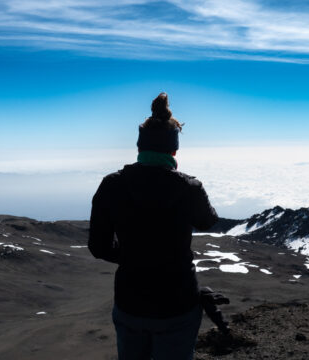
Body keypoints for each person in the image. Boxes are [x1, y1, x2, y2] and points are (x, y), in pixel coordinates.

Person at [88, 92, 219, 360]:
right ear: (174, 150)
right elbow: (208, 221)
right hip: (178, 303)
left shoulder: (112, 184)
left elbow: (98, 246)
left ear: (139, 148)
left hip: (130, 302)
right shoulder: (188, 187)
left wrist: (133, 256)